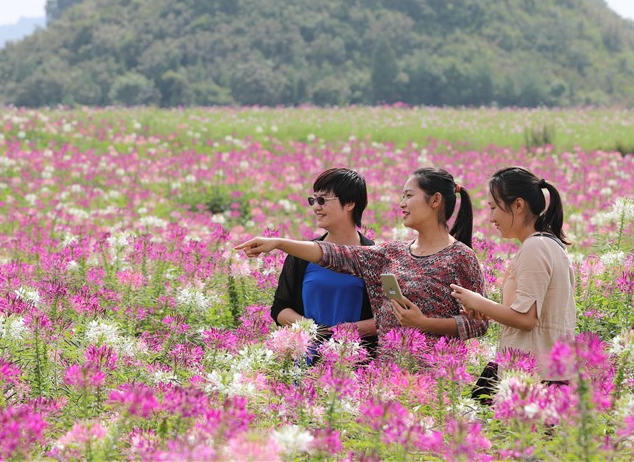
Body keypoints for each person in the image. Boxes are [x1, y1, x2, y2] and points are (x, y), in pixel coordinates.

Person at [238, 167, 487, 349]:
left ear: (435, 200)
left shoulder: (460, 257)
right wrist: (279, 243)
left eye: (409, 196)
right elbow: (336, 254)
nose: (401, 203)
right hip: (387, 376)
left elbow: (479, 324)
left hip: (438, 375)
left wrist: (424, 323)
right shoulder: (393, 252)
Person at [449, 166, 576, 399]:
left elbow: (526, 320)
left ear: (518, 205)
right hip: (547, 373)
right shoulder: (550, 245)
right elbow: (534, 315)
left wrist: (477, 300)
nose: (492, 217)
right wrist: (486, 311)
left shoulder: (535, 247)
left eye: (494, 207)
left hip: (533, 379)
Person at [270, 168, 378, 357]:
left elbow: (388, 319)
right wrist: (312, 329)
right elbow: (280, 308)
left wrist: (347, 331)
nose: (316, 207)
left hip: (355, 362)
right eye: (313, 200)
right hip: (306, 361)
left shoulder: (373, 256)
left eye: (323, 200)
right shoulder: (302, 254)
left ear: (350, 203)